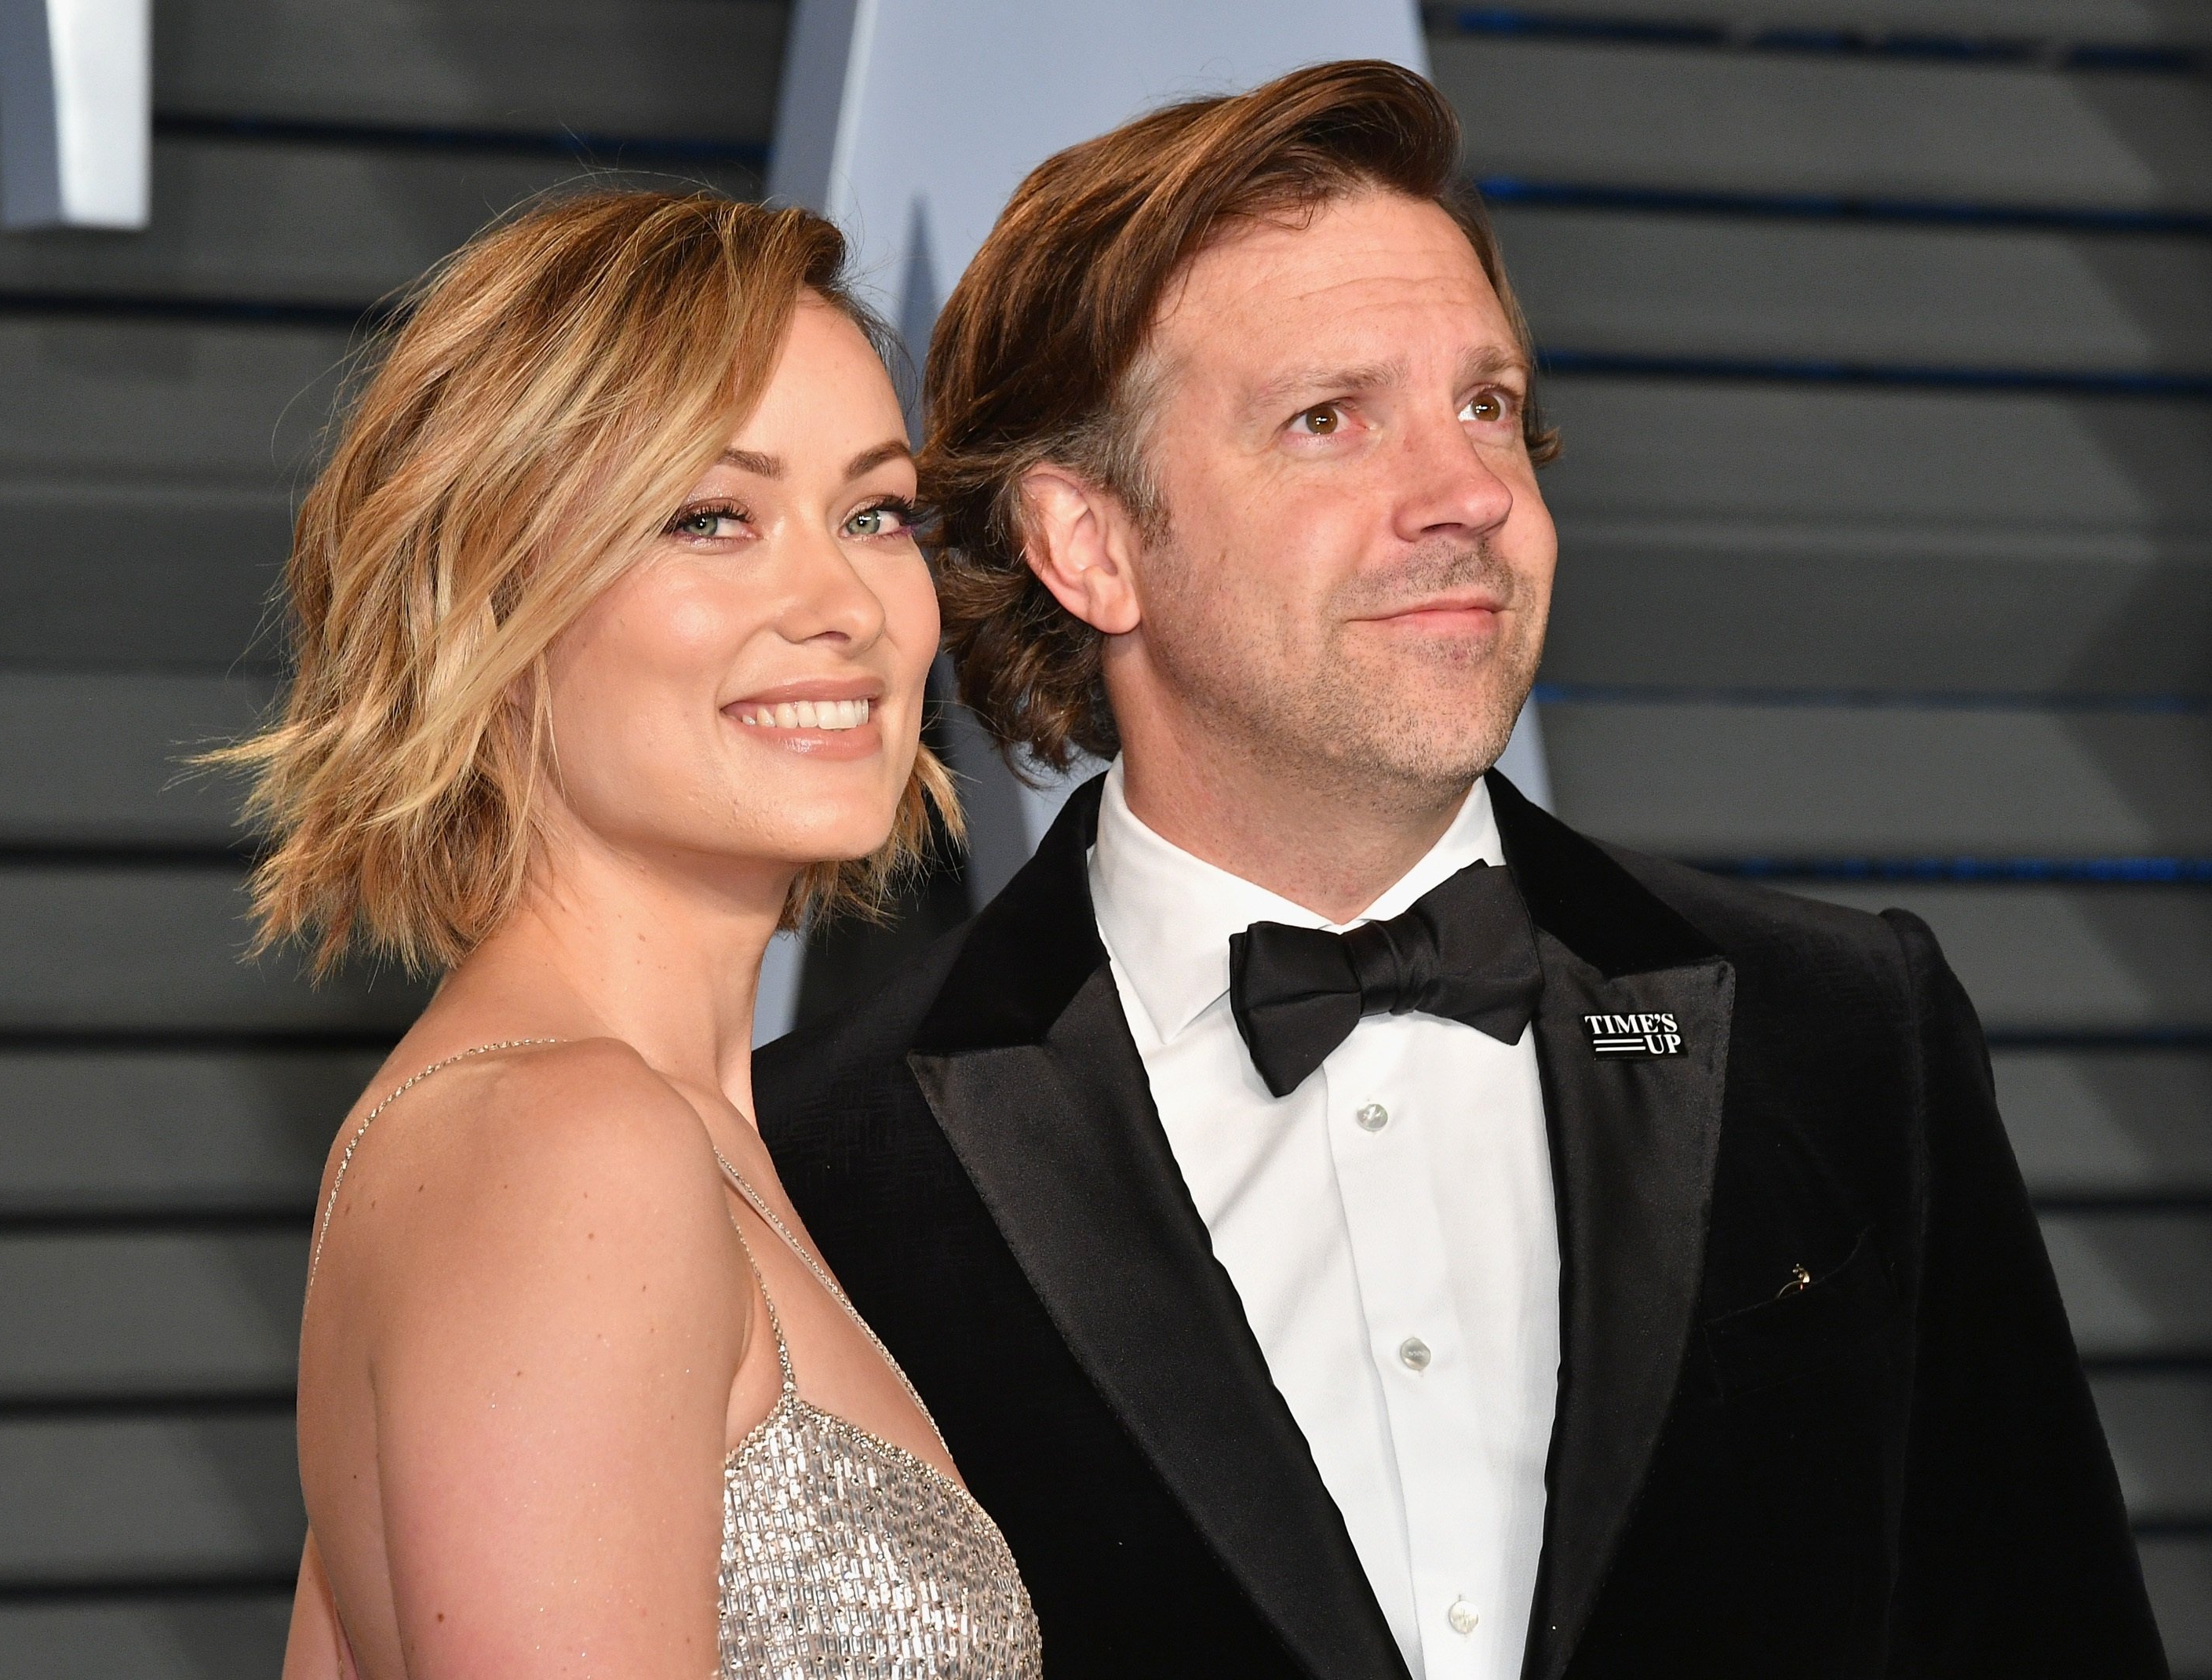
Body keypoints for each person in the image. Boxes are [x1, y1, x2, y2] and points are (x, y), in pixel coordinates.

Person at [753, 60, 2166, 1680]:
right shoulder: (817, 1160)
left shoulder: (1848, 1033)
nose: (1473, 497)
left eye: (1486, 405)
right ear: (1091, 543)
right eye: (1329, 419)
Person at [220, 191, 1040, 1678]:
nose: (844, 603)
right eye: (712, 518)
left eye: (875, 513)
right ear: (493, 603)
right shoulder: (566, 1144)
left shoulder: (616, 1131)